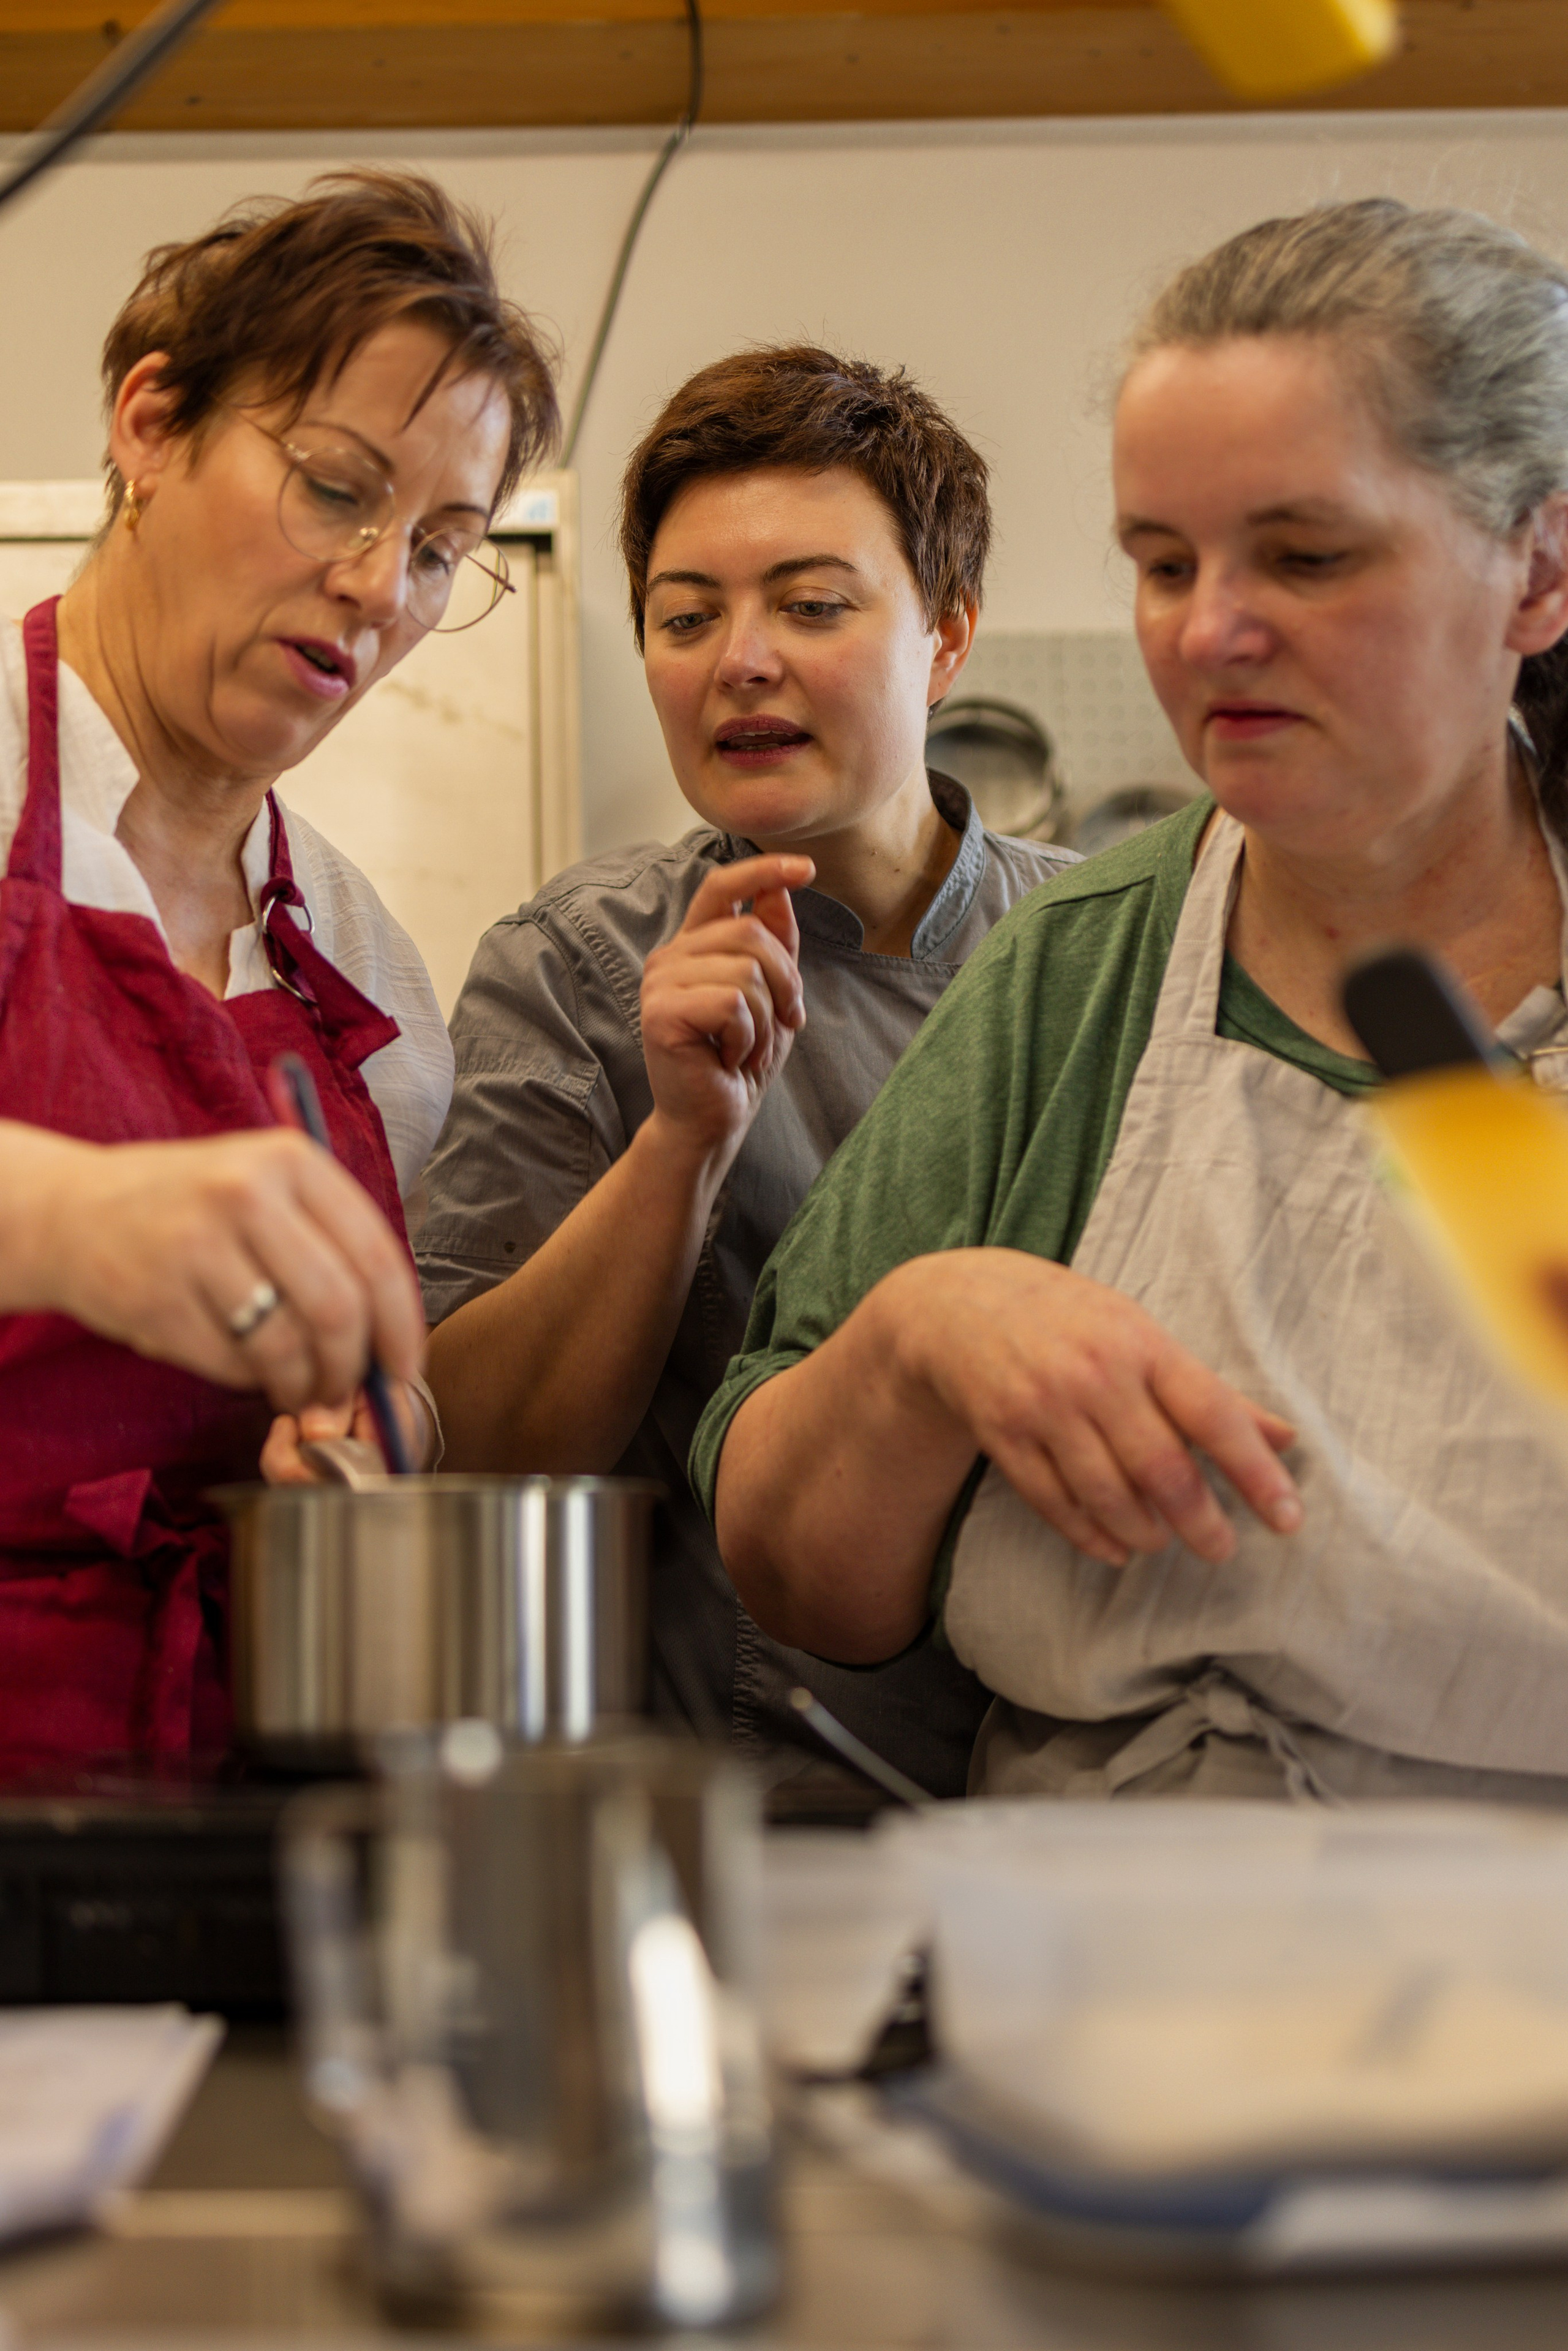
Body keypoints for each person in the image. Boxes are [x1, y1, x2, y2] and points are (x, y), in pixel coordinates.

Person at [693, 199, 1568, 1805]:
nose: (1208, 628)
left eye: (1306, 554)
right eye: (1163, 562)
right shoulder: (1083, 969)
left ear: (1539, 566)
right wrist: (915, 1340)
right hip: (1110, 1961)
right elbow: (795, 1572)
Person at [418, 348, 1073, 1794]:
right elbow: (467, 1453)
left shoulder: (1101, 946)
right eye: (686, 614)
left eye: (811, 604)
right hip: (736, 1824)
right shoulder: (572, 968)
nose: (741, 659)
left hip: (1080, 1811)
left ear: (947, 636)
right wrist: (680, 1145)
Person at [0, 168, 558, 1757]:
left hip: (237, 1807)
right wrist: (59, 1215)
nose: (384, 587)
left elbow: (391, 1381)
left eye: (446, 546)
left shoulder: (364, 968)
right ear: (151, 424)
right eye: (337, 488)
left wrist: (377, 1429)